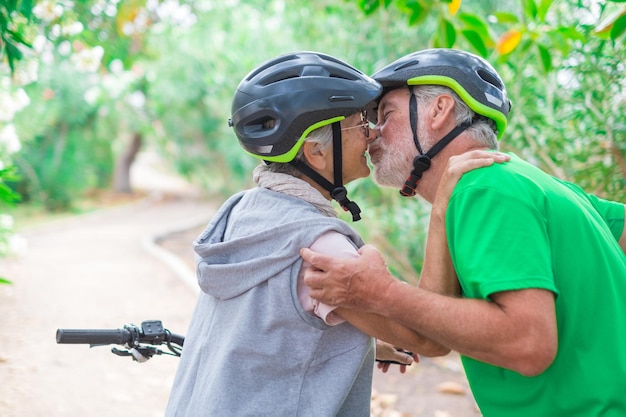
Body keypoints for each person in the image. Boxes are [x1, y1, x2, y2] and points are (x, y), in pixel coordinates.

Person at [164, 51, 505, 416]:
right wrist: (441, 209)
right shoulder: (318, 244)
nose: (373, 131)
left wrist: (360, 337)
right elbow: (431, 337)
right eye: (360, 123)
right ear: (315, 152)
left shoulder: (242, 212)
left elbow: (267, 324)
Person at [301, 48, 626, 417]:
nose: (374, 131)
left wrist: (383, 292)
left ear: (440, 110)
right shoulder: (533, 183)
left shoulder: (483, 189)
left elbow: (528, 343)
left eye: (386, 113)